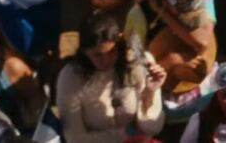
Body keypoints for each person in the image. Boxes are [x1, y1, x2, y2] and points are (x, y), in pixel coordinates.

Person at [53, 13, 166, 143]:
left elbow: (153, 127)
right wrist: (120, 138)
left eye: (112, 52)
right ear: (85, 52)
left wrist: (150, 92)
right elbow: (74, 138)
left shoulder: (138, 63)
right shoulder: (70, 77)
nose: (106, 60)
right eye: (98, 55)